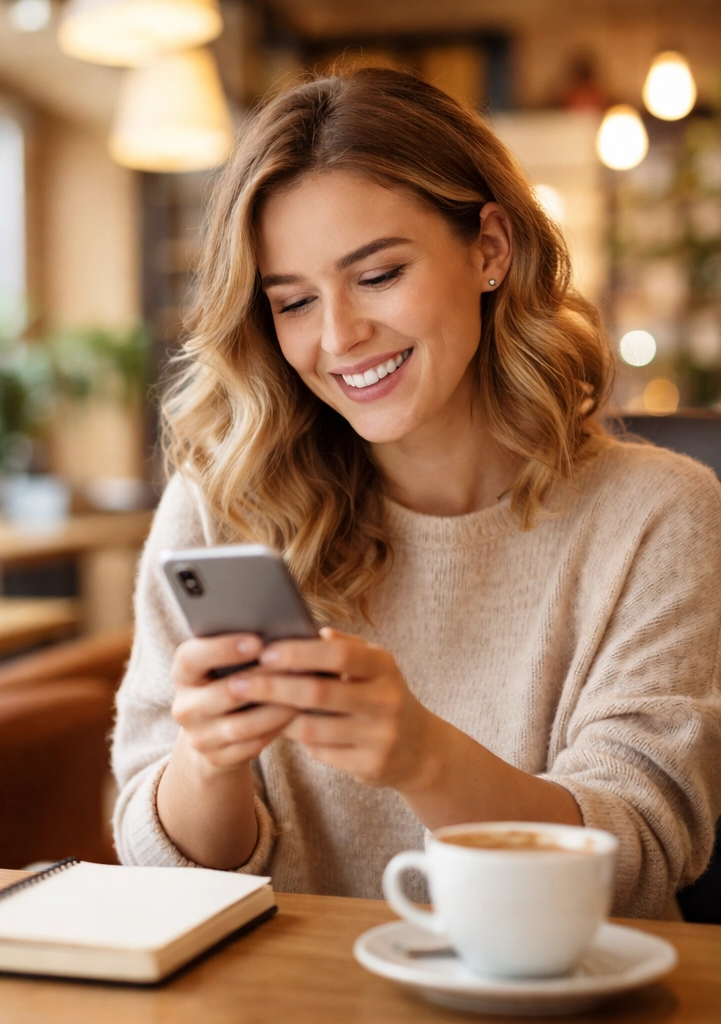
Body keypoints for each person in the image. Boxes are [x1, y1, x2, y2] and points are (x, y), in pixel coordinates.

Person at [112, 65, 721, 918]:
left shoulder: (658, 517)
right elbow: (162, 876)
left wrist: (425, 760)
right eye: (293, 302)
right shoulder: (223, 508)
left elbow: (639, 862)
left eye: (379, 275)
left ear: (489, 249)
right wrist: (207, 761)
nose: (339, 337)